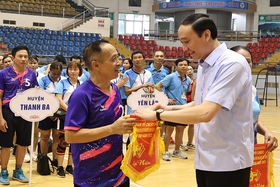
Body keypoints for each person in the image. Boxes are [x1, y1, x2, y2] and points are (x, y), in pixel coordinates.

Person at [135, 13, 254, 187]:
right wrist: (168, 109)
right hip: (206, 157)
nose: (184, 49)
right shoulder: (205, 64)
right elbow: (199, 104)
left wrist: (158, 116)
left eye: (187, 41)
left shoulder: (232, 63)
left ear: (206, 35)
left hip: (228, 161)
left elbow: (205, 113)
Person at [64, 40, 136, 187]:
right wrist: (112, 129)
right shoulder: (81, 95)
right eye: (113, 59)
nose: (119, 63)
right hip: (91, 179)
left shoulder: (115, 90)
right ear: (96, 65)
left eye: (118, 57)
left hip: (120, 174)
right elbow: (70, 136)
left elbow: (116, 124)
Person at [0, 46, 38, 185]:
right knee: (5, 144)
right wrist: (0, 117)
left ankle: (18, 171)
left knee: (22, 143)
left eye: (25, 56)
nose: (23, 59)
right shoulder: (4, 74)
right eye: (20, 56)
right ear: (13, 57)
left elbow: (35, 93)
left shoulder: (32, 74)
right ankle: (3, 171)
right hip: (7, 111)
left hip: (25, 113)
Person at [230, 45, 278, 151]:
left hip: (250, 145)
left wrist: (266, 132)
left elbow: (254, 120)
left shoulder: (252, 90)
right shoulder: (223, 90)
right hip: (228, 149)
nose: (244, 64)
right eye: (239, 60)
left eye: (248, 61)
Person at [154, 58, 191, 161]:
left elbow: (185, 92)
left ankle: (177, 151)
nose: (183, 66)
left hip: (183, 108)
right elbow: (157, 86)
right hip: (171, 108)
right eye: (181, 65)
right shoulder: (171, 77)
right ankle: (165, 151)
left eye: (185, 65)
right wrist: (166, 98)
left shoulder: (188, 80)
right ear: (176, 66)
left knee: (180, 130)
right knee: (169, 130)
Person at [54, 61, 83, 178]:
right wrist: (69, 110)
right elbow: (58, 98)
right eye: (70, 69)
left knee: (75, 142)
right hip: (66, 115)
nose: (72, 71)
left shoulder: (82, 84)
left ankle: (70, 166)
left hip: (79, 117)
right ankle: (60, 166)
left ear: (80, 71)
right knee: (63, 141)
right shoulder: (62, 83)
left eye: (75, 69)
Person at [38, 61, 64, 168]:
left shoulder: (63, 81)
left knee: (56, 137)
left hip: (59, 112)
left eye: (58, 74)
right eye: (54, 74)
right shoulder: (42, 80)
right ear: (50, 71)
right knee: (45, 136)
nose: (56, 76)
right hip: (45, 112)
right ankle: (43, 160)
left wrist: (56, 113)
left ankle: (55, 161)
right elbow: (40, 97)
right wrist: (49, 113)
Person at [23, 55, 41, 163]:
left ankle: (33, 151)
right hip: (25, 106)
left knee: (35, 130)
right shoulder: (24, 74)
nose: (33, 65)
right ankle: (25, 152)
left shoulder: (42, 76)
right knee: (25, 130)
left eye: (35, 63)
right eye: (31, 63)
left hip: (37, 106)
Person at [123, 50, 154, 115]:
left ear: (144, 59)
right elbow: (127, 92)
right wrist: (143, 86)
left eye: (140, 57)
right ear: (132, 61)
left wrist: (150, 89)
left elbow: (151, 90)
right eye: (135, 58)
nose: (138, 60)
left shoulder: (148, 73)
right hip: (133, 107)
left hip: (146, 106)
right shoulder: (127, 73)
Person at [182, 65, 196, 150]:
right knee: (182, 125)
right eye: (188, 69)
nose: (190, 71)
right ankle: (180, 143)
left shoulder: (196, 81)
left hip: (193, 104)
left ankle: (190, 142)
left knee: (192, 125)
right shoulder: (183, 81)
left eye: (191, 69)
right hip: (185, 103)